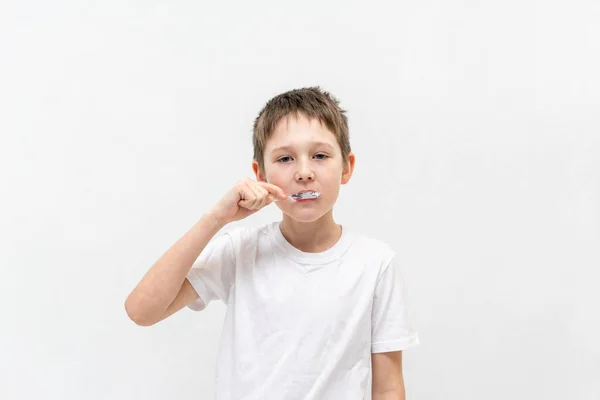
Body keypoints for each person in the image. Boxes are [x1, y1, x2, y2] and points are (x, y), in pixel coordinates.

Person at [125, 86, 420, 399]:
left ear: (347, 167)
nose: (304, 172)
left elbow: (388, 387)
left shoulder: (375, 264)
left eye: (320, 156)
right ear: (259, 172)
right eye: (285, 158)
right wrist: (215, 219)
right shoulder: (240, 252)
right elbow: (141, 310)